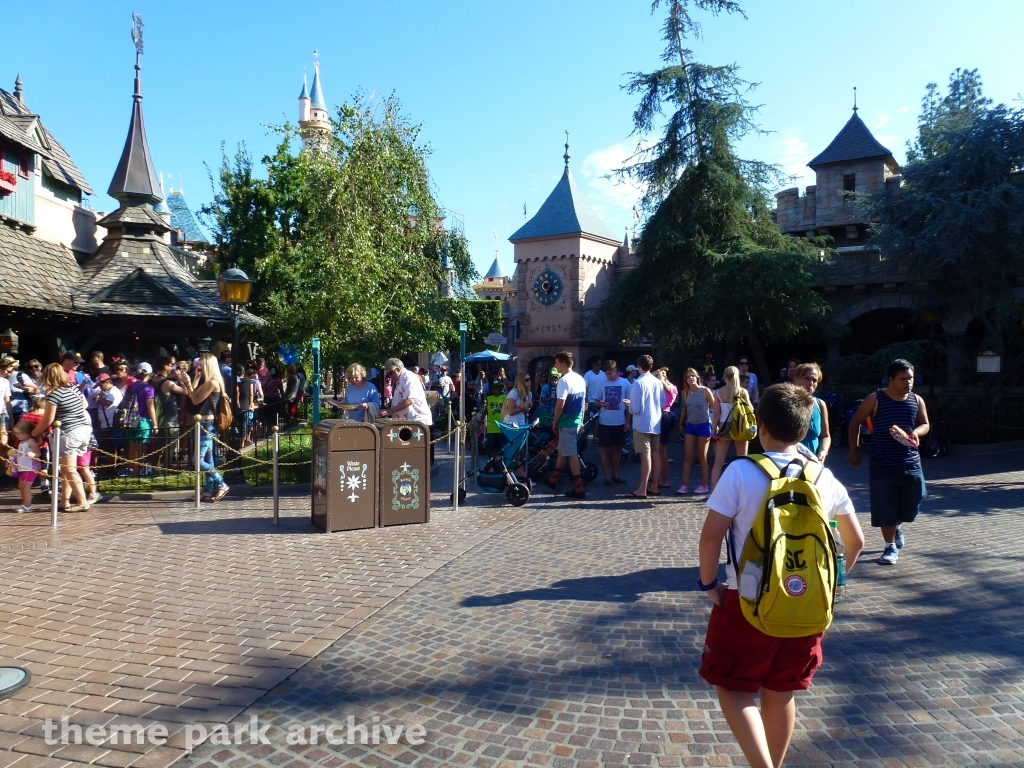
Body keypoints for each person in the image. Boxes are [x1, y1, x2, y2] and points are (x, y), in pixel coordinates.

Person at [697, 383, 865, 768]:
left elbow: (711, 537)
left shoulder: (740, 471)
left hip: (747, 597)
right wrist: (830, 589)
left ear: (759, 426)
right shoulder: (823, 477)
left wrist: (710, 586)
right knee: (781, 690)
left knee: (733, 687)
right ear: (805, 430)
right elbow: (854, 543)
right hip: (806, 605)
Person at [847, 358, 930, 565]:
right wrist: (853, 451)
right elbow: (855, 423)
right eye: (903, 379)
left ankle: (897, 526)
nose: (908, 383)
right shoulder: (875, 399)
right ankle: (889, 546)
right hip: (882, 462)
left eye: (910, 378)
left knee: (916, 497)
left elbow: (925, 424)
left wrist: (916, 433)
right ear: (891, 379)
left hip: (910, 461)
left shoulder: (916, 400)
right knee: (885, 505)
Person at [33, 362, 92, 511]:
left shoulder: (54, 394)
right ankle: (64, 501)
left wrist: (34, 433)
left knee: (70, 469)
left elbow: (48, 419)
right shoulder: (72, 388)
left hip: (69, 432)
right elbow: (85, 404)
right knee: (66, 468)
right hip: (83, 429)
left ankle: (82, 502)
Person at [184, 353, 229, 502]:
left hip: (206, 425)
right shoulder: (211, 381)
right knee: (208, 460)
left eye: (202, 365)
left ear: (209, 365)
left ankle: (221, 484)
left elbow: (195, 400)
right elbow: (192, 394)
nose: (199, 367)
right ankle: (207, 491)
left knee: (197, 460)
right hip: (205, 424)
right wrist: (195, 379)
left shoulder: (213, 383)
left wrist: (189, 383)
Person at [545, 351, 587, 499]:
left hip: (566, 421)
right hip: (575, 420)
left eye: (556, 363)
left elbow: (560, 405)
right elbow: (583, 403)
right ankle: (553, 480)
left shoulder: (564, 381)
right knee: (563, 450)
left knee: (571, 454)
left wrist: (554, 421)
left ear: (562, 363)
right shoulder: (580, 379)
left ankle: (579, 489)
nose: (555, 365)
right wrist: (581, 421)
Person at [710, 366, 754, 490]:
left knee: (719, 461)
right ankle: (742, 489)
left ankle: (713, 490)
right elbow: (751, 410)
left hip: (725, 426)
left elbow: (717, 415)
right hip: (740, 425)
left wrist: (714, 429)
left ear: (725, 377)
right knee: (742, 460)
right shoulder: (743, 391)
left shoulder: (718, 392)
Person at [627, 355, 662, 499]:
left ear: (639, 366)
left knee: (645, 456)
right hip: (656, 422)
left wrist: (628, 404)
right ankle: (654, 486)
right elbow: (663, 401)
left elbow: (635, 408)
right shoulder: (657, 382)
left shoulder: (638, 383)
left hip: (642, 424)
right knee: (655, 454)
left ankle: (642, 489)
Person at [677, 367, 717, 495]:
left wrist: (716, 424)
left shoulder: (705, 391)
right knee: (688, 456)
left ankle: (704, 484)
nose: (691, 378)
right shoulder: (686, 392)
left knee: (702, 457)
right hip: (690, 425)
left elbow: (715, 408)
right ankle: (684, 485)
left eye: (693, 375)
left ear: (697, 377)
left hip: (704, 425)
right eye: (688, 376)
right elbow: (685, 408)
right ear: (686, 380)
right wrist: (680, 422)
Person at [593, 360, 629, 485]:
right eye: (607, 373)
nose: (609, 376)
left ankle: (615, 475)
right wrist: (602, 404)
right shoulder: (601, 383)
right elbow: (596, 401)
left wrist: (628, 421)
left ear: (616, 370)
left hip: (620, 421)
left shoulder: (625, 383)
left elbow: (628, 404)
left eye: (611, 373)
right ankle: (607, 477)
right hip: (605, 422)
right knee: (604, 449)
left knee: (617, 449)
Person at [121, 362, 157, 477]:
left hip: (129, 420)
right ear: (150, 373)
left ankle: (132, 471)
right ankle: (136, 474)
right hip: (143, 421)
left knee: (132, 447)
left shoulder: (131, 386)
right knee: (140, 449)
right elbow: (150, 406)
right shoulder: (149, 388)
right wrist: (155, 424)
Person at [794, 363, 831, 463]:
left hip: (814, 463)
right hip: (791, 462)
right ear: (795, 379)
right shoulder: (785, 403)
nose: (810, 383)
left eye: (814, 380)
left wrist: (823, 452)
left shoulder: (820, 404)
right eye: (806, 378)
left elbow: (825, 436)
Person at [380, 358, 432, 426]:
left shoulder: (407, 377)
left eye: (390, 373)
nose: (389, 376)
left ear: (398, 369)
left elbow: (410, 400)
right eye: (387, 374)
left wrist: (390, 411)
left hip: (417, 421)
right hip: (409, 421)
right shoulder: (400, 378)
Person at [10, 421, 41, 513]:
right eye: (17, 433)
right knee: (21, 487)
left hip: (30, 468)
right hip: (23, 468)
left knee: (25, 487)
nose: (18, 436)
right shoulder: (21, 443)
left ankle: (27, 506)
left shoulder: (31, 442)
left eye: (21, 433)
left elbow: (38, 453)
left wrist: (33, 454)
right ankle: (24, 504)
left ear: (29, 433)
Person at [656, 368, 679, 488]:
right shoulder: (657, 386)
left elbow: (668, 389)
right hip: (655, 415)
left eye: (663, 374)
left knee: (661, 450)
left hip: (664, 415)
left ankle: (665, 479)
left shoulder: (672, 387)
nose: (661, 376)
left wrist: (660, 378)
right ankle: (654, 477)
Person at [236, 363, 264, 443]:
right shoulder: (251, 382)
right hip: (247, 405)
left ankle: (240, 441)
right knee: (246, 425)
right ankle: (244, 443)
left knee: (239, 425)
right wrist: (253, 404)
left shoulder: (236, 381)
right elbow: (253, 394)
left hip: (237, 406)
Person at [483, 380, 507, 454]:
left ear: (501, 389)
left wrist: (505, 387)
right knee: (490, 446)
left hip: (501, 427)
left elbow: (510, 397)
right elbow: (485, 411)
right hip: (492, 427)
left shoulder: (504, 397)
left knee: (502, 447)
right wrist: (480, 421)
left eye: (498, 389)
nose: (496, 391)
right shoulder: (489, 398)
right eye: (494, 389)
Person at [0, 356, 15, 447]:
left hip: (3, 413)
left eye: (11, 371)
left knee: (4, 442)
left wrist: (11, 418)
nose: (9, 374)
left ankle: (4, 460)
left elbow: (7, 400)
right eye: (8, 371)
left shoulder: (5, 382)